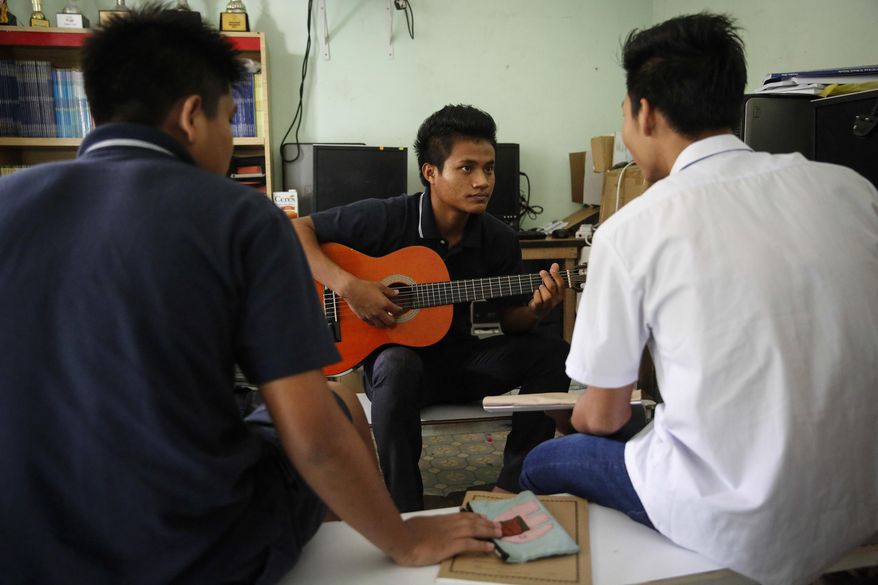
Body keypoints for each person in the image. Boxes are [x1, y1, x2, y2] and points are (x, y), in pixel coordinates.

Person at [0, 7, 501, 584]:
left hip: (27, 550)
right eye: (229, 121)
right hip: (191, 555)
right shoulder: (241, 216)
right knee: (338, 402)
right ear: (192, 116)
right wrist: (405, 538)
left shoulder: (12, 201)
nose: (231, 142)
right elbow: (311, 438)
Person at [520, 12, 878, 585]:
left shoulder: (632, 229)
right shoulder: (851, 189)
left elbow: (604, 414)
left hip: (745, 521)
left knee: (542, 461)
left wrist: (574, 414)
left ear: (645, 112)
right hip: (863, 499)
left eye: (624, 116)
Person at [293, 104, 571, 512]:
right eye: (467, 168)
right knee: (397, 364)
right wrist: (350, 286)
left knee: (554, 353)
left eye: (490, 169)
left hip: (461, 361)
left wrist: (538, 310)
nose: (483, 181)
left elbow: (512, 321)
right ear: (430, 172)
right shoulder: (387, 217)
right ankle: (404, 507)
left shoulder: (499, 239)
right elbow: (294, 229)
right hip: (398, 371)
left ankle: (514, 482)